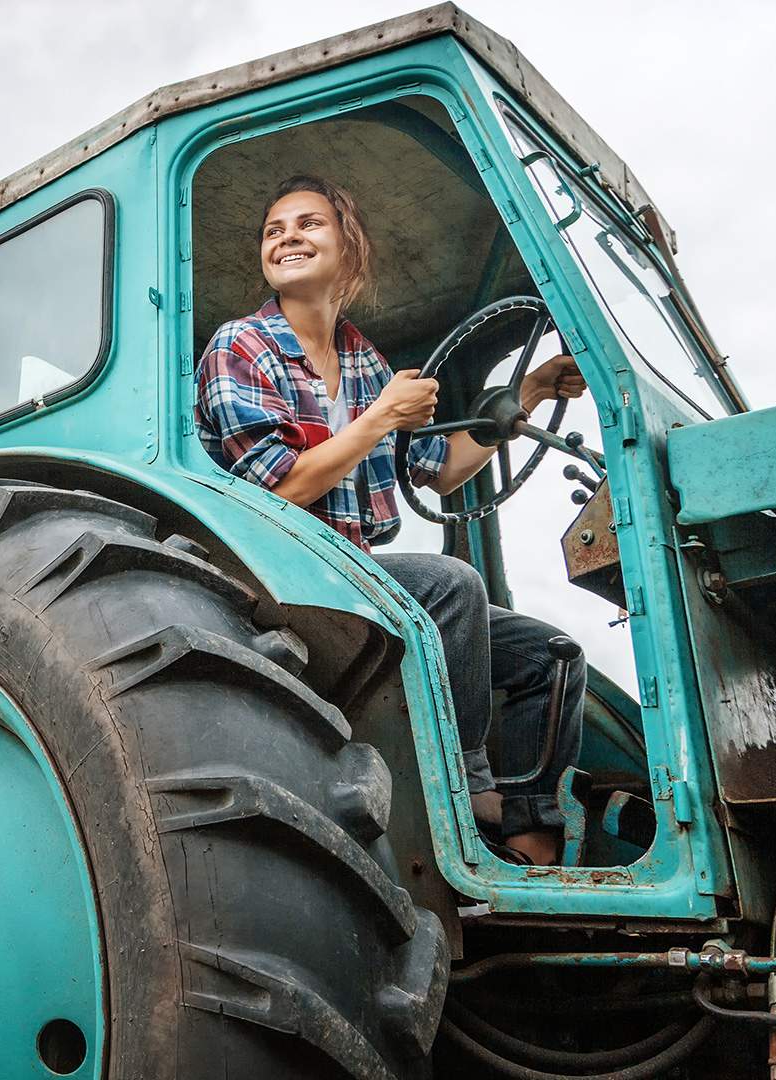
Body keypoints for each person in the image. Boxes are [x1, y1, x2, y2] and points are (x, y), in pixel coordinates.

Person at [196, 174, 588, 865]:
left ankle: (531, 850)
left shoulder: (364, 360)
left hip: (357, 578)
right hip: (282, 580)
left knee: (550, 660)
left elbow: (441, 468)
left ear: (349, 248)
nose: (287, 236)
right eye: (274, 229)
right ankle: (468, 795)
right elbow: (281, 489)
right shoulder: (242, 346)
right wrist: (379, 420)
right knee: (450, 587)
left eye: (309, 224)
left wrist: (522, 395)